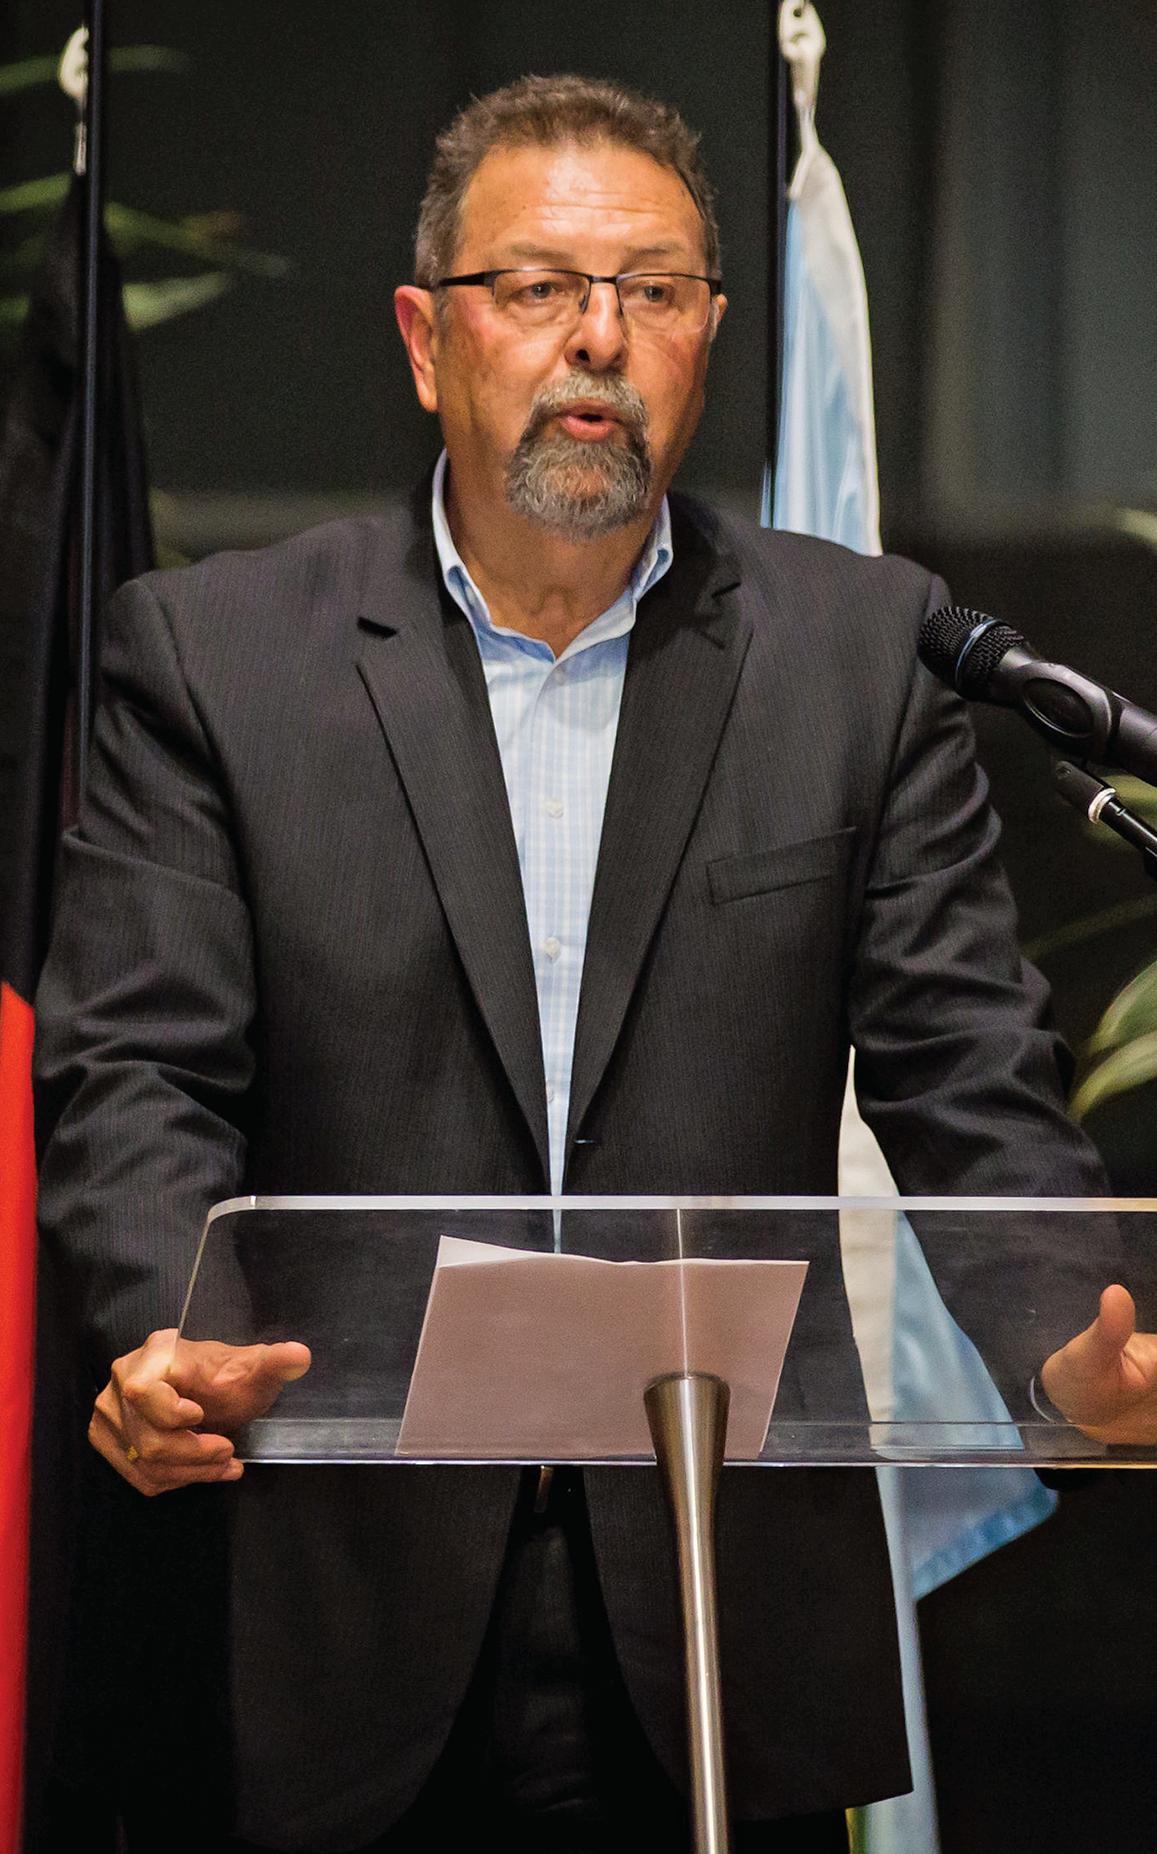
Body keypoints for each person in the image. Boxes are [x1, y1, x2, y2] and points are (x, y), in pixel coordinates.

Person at [34, 74, 1157, 1854]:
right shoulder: (217, 654)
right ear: (427, 339)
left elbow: (970, 1076)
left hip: (715, 1597)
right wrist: (177, 1330)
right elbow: (138, 1072)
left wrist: (1065, 1344)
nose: (598, 339)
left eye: (651, 291)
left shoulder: (853, 654)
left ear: (709, 337)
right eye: (539, 286)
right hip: (334, 1580)